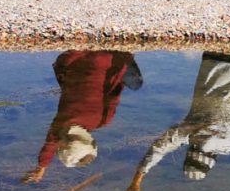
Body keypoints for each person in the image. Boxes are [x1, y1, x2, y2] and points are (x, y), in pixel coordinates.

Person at [122, 51, 230, 191]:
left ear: (212, 161)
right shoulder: (190, 132)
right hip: (213, 57)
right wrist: (136, 180)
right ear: (189, 154)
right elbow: (158, 149)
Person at [23, 50, 143, 183]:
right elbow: (50, 143)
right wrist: (42, 166)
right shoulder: (64, 122)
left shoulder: (104, 121)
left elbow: (117, 89)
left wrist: (122, 63)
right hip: (72, 58)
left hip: (111, 57)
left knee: (136, 84)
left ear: (91, 142)